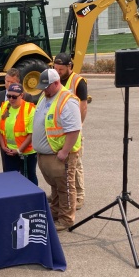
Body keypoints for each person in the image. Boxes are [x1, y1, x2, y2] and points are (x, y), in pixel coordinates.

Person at [32, 69, 82, 232]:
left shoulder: (67, 100)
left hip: (60, 154)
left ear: (56, 83)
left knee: (65, 187)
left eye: (46, 87)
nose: (44, 90)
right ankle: (55, 211)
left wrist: (65, 151)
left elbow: (74, 129)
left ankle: (66, 219)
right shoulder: (45, 95)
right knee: (55, 185)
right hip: (47, 154)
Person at [54, 52, 88, 210]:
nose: (58, 72)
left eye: (61, 69)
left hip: (73, 131)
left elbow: (83, 107)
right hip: (59, 133)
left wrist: (77, 127)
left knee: (76, 164)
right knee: (62, 167)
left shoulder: (78, 81)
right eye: (56, 68)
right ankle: (63, 194)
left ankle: (79, 196)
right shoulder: (55, 81)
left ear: (69, 67)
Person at [0, 83, 38, 185]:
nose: (11, 99)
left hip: (26, 153)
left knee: (29, 178)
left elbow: (31, 134)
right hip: (9, 151)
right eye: (8, 96)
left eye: (14, 97)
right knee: (10, 180)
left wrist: (19, 150)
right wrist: (3, 146)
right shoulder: (4, 107)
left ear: (22, 95)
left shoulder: (30, 109)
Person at [0, 68, 33, 171]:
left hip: (24, 149)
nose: (9, 84)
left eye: (12, 82)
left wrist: (19, 149)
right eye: (7, 81)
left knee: (27, 176)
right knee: (8, 171)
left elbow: (31, 130)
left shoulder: (28, 98)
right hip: (6, 145)